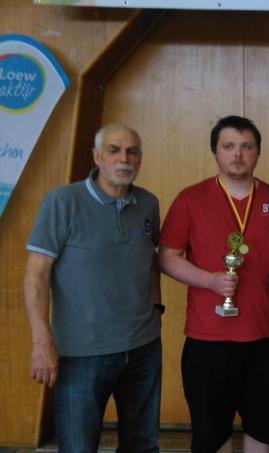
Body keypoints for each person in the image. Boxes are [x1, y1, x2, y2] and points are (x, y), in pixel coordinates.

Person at [159, 115, 269, 453]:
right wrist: (209, 280)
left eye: (246, 146)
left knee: (262, 430)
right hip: (208, 338)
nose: (238, 154)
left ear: (258, 153)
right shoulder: (190, 199)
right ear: (216, 152)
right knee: (210, 435)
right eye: (229, 146)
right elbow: (166, 257)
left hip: (265, 337)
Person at [24, 124, 162, 451]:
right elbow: (36, 276)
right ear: (97, 156)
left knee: (142, 445)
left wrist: (157, 311)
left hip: (143, 348)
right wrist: (42, 342)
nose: (123, 159)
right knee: (78, 447)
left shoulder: (148, 204)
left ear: (140, 159)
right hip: (80, 355)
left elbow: (150, 261)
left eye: (132, 152)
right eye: (114, 150)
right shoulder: (63, 201)